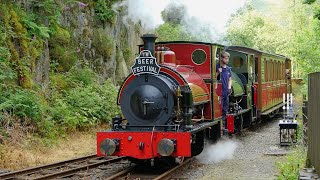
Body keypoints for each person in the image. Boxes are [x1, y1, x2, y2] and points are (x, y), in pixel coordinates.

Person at [216, 51, 232, 131]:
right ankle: (220, 126)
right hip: (219, 91)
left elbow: (230, 79)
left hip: (226, 90)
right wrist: (218, 72)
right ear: (221, 58)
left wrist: (229, 87)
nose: (227, 60)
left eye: (228, 58)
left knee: (225, 108)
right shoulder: (217, 67)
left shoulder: (228, 69)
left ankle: (224, 125)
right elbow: (213, 78)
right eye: (226, 58)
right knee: (219, 108)